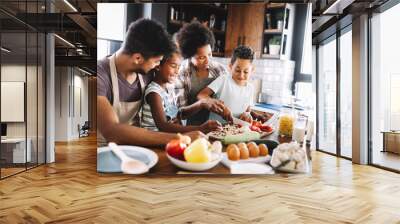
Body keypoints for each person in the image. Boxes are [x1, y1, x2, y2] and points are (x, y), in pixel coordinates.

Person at [97, 18, 204, 147]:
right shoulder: (100, 74)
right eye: (156, 61)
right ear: (137, 58)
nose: (158, 65)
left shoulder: (147, 72)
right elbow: (112, 130)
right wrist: (181, 138)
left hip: (134, 146)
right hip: (104, 148)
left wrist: (201, 104)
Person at [141, 45, 221, 133]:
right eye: (173, 66)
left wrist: (201, 103)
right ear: (158, 65)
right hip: (154, 140)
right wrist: (200, 128)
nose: (177, 71)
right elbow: (163, 126)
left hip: (168, 137)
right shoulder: (154, 93)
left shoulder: (170, 88)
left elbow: (179, 114)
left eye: (178, 67)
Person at [175, 21, 229, 126]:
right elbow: (181, 113)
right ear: (189, 56)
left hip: (219, 126)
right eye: (201, 57)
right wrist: (202, 103)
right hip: (193, 128)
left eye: (210, 54)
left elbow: (230, 96)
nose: (208, 61)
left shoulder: (220, 70)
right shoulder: (182, 73)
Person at [197, 45, 257, 124]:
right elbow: (201, 95)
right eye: (237, 70)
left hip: (236, 131)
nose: (241, 75)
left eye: (246, 72)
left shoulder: (250, 88)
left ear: (252, 70)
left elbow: (247, 107)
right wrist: (214, 104)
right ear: (230, 66)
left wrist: (247, 113)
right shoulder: (224, 80)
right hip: (215, 129)